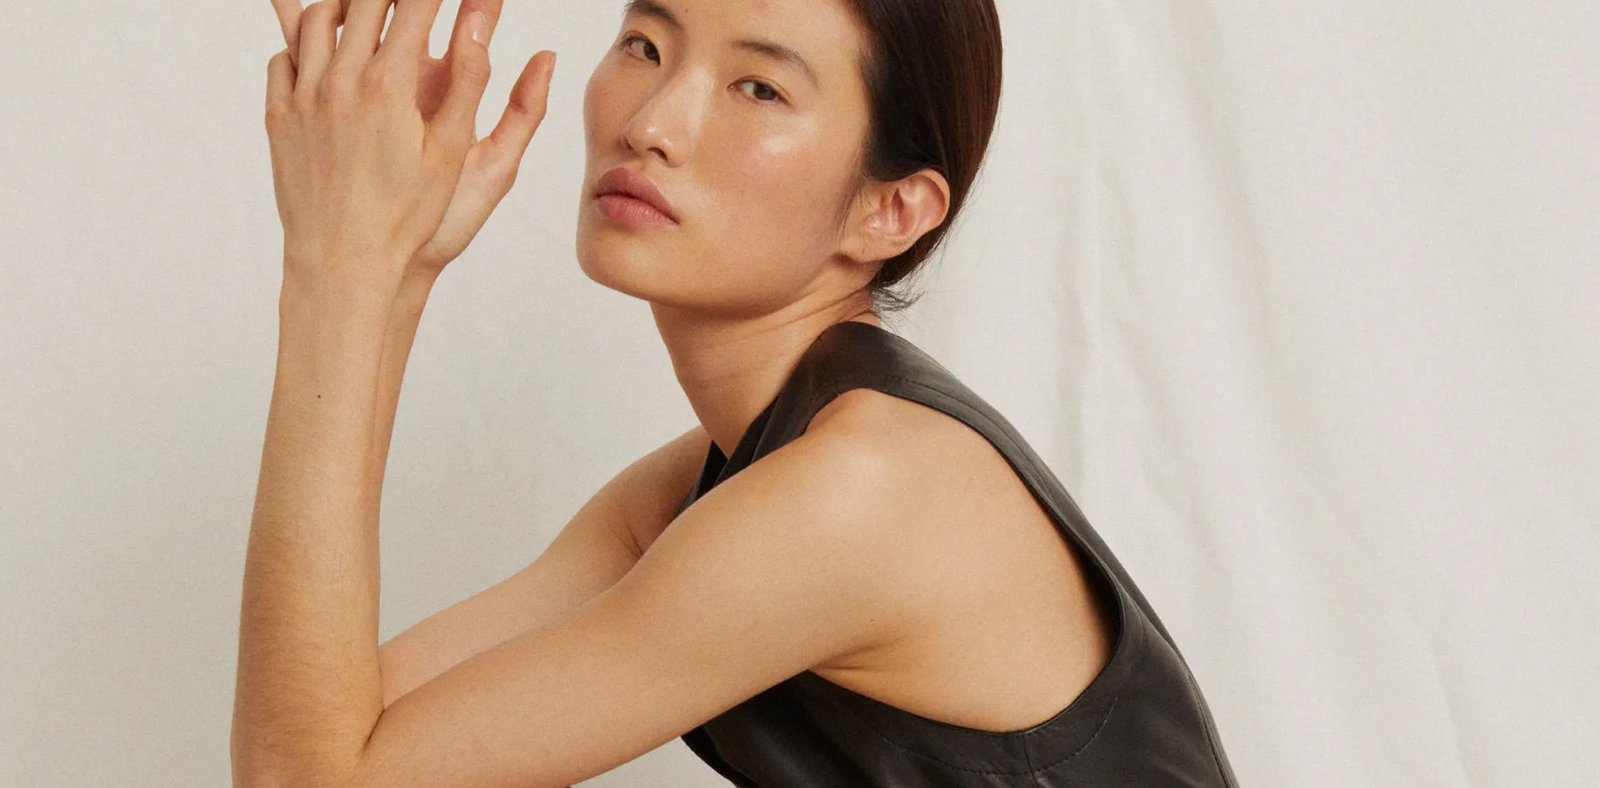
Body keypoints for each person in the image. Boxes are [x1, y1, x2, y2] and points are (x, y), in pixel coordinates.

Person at [235, 0, 1238, 785]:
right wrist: (393, 269)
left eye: (758, 88)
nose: (653, 124)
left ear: (891, 211)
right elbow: (344, 730)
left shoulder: (859, 490)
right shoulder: (704, 487)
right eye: (645, 45)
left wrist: (342, 268)